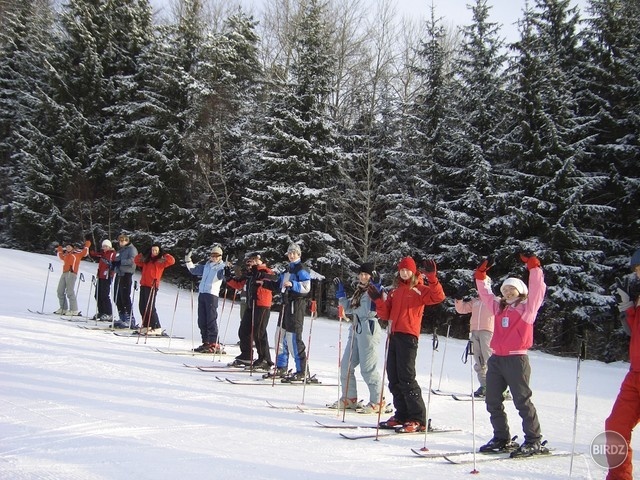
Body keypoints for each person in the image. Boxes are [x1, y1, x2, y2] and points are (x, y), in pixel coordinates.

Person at [474, 253, 547, 457]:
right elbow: (486, 295)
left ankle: (533, 439)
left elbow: (538, 289)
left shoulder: (527, 310)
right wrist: (480, 276)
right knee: (492, 400)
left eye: (511, 288)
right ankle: (501, 437)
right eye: (504, 289)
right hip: (497, 359)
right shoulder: (499, 309)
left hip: (516, 359)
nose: (507, 292)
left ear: (520, 291)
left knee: (522, 401)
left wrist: (534, 267)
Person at [371, 256, 445, 433]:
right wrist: (378, 301)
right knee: (394, 377)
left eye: (407, 270)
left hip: (409, 337)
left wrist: (432, 278)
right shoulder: (395, 292)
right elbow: (385, 314)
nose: (404, 273)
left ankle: (417, 418)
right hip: (394, 335)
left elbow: (438, 297)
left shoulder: (420, 289)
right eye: (402, 270)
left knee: (406, 377)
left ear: (413, 272)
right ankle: (402, 413)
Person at [329, 263, 386, 413]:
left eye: (366, 274)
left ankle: (378, 400)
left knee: (368, 369)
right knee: (346, 366)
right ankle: (349, 398)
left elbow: (379, 303)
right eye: (361, 274)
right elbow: (349, 308)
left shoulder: (373, 290)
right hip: (355, 329)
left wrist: (378, 286)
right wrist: (341, 295)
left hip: (368, 330)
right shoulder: (359, 291)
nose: (363, 277)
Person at [605, 248, 640, 480]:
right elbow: (633, 331)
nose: (638, 275)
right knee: (615, 426)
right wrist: (628, 309)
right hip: (635, 374)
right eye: (637, 271)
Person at [226, 253, 276, 369]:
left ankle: (265, 359)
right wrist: (228, 276)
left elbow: (273, 280)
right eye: (251, 260)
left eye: (254, 260)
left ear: (261, 261)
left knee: (259, 333)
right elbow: (238, 284)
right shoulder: (251, 273)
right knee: (244, 330)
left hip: (262, 304)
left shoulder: (266, 271)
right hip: (251, 304)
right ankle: (246, 355)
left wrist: (258, 271)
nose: (252, 262)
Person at [272, 243, 311, 381]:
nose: (291, 255)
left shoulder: (301, 268)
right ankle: (281, 366)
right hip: (286, 305)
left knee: (293, 338)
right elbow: (280, 285)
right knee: (279, 336)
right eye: (289, 253)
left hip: (296, 305)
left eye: (294, 253)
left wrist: (293, 285)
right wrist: (266, 282)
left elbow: (306, 287)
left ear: (299, 254)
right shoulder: (288, 268)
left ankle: (302, 371)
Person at [454, 280, 495, 398]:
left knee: (490, 359)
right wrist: (459, 297)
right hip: (475, 331)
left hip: (488, 331)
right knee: (479, 360)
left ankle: (499, 387)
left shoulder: (493, 300)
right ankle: (484, 386)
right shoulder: (475, 301)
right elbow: (461, 309)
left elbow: (502, 308)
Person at [185, 245, 227, 353]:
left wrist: (228, 269)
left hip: (212, 295)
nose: (214, 257)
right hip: (202, 294)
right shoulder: (207, 266)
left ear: (220, 256)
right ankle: (206, 341)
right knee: (202, 319)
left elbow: (224, 275)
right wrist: (188, 259)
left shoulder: (221, 267)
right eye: (213, 255)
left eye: (217, 256)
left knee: (211, 319)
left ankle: (214, 343)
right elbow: (193, 270)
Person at [133, 243, 175, 335]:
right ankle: (146, 325)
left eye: (156, 250)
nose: (154, 252)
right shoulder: (147, 260)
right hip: (144, 284)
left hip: (152, 285)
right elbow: (136, 260)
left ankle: (156, 326)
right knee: (142, 306)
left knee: (150, 307)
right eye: (153, 250)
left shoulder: (160, 261)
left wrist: (164, 254)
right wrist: (142, 253)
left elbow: (172, 261)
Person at [54, 240, 91, 315]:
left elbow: (85, 252)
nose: (68, 248)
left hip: (72, 273)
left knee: (69, 291)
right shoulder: (66, 255)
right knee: (60, 291)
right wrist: (59, 248)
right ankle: (63, 308)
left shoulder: (77, 254)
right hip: (64, 273)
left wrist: (87, 244)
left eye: (69, 246)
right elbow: (60, 256)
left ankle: (74, 310)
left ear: (72, 248)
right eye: (67, 247)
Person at [113, 234, 138, 329]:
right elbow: (117, 259)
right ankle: (122, 316)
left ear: (127, 241)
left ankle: (130, 318)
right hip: (119, 274)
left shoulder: (131, 249)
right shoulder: (121, 250)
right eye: (120, 241)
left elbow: (133, 260)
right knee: (117, 295)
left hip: (127, 274)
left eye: (123, 241)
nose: (121, 242)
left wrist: (121, 262)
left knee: (125, 296)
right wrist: (114, 264)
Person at [89, 239, 117, 322]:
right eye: (103, 246)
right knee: (97, 294)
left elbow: (114, 263)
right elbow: (94, 254)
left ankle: (109, 313)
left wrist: (111, 270)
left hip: (107, 276)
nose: (104, 248)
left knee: (104, 295)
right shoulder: (103, 254)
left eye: (106, 246)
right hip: (101, 275)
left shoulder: (112, 254)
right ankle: (102, 311)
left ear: (110, 246)